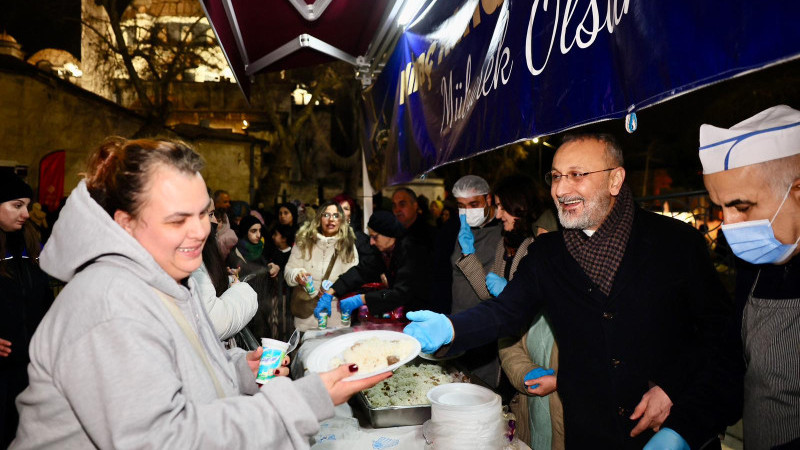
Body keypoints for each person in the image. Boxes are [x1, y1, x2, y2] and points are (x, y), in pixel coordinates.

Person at [10, 138, 390, 449]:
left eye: (203, 213)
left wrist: (239, 370)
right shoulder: (110, 304)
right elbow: (165, 441)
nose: (199, 231)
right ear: (124, 223)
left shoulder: (169, 276)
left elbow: (177, 372)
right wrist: (301, 401)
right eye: (177, 219)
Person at [404, 133, 743, 449]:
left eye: (577, 174)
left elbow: (720, 338)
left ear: (615, 179)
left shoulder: (676, 244)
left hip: (668, 425)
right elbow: (504, 312)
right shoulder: (548, 255)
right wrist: (450, 327)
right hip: (588, 434)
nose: (560, 189)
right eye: (555, 176)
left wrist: (676, 397)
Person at [699, 105, 800, 450]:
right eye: (720, 207)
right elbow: (733, 364)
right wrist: (684, 425)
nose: (728, 224)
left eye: (742, 207)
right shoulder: (755, 267)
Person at [0, 176, 53, 447]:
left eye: (27, 206)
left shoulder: (33, 244)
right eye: (16, 205)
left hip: (30, 368)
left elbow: (44, 301)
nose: (25, 214)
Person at [317, 211, 431, 320]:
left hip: (423, 311)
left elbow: (401, 293)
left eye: (375, 237)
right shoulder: (384, 251)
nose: (371, 242)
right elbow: (361, 271)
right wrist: (330, 292)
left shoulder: (411, 251)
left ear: (389, 234)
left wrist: (362, 299)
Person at [448, 175, 504, 387]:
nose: (467, 212)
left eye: (474, 204)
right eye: (461, 206)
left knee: (483, 388)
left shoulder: (502, 234)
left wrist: (469, 253)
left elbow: (488, 290)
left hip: (485, 330)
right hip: (459, 324)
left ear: (488, 200)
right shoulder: (463, 232)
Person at [284, 201, 358, 331]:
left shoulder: (348, 246)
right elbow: (288, 271)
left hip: (335, 317)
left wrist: (334, 290)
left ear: (341, 219)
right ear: (319, 218)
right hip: (306, 316)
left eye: (335, 215)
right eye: (326, 215)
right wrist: (297, 276)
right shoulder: (304, 242)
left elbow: (353, 278)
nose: (331, 219)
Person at [190, 203, 258, 341]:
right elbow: (215, 323)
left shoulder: (204, 252)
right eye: (210, 215)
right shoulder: (191, 262)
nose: (215, 221)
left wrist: (225, 279)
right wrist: (241, 290)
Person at [213, 189, 238, 260]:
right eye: (225, 202)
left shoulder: (226, 216)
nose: (228, 205)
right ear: (216, 203)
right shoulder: (209, 217)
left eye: (229, 202)